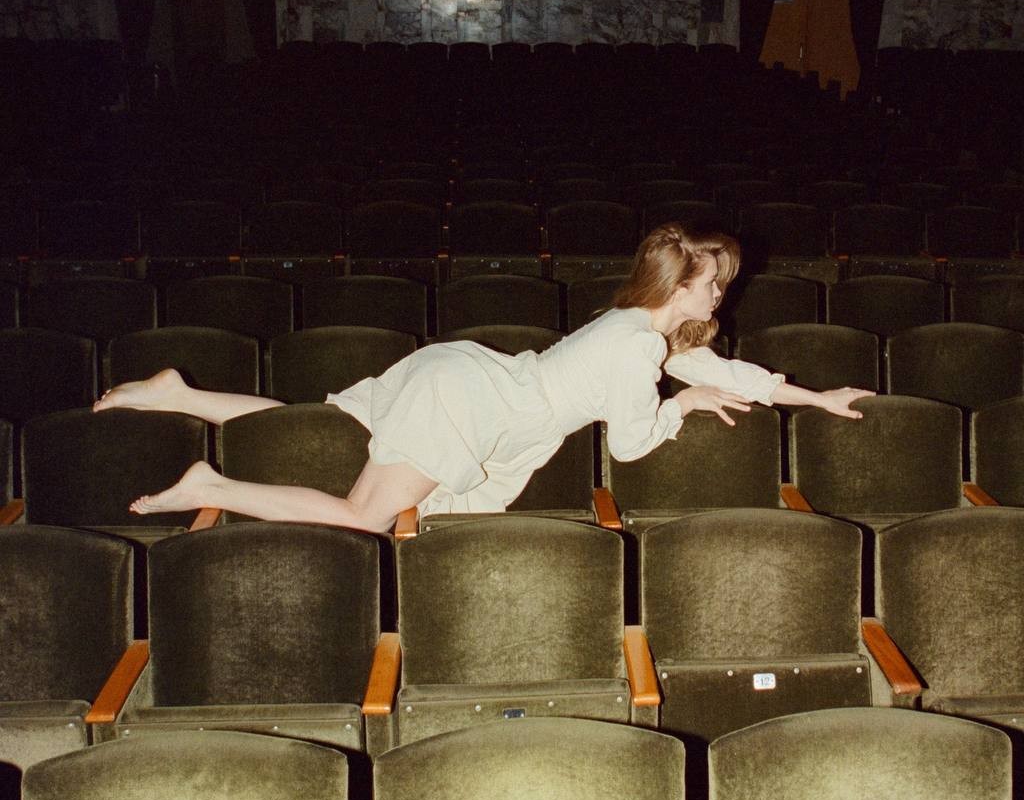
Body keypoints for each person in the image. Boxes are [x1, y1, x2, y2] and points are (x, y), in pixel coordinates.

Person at [95, 223, 873, 531]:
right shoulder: (639, 350)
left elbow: (726, 369)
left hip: (468, 380)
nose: (720, 294)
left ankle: (178, 394)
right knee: (366, 517)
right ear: (679, 289)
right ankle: (211, 485)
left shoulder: (640, 328)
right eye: (713, 284)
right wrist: (685, 407)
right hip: (473, 408)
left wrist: (816, 396)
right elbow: (631, 445)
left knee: (317, 431)